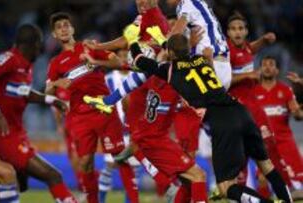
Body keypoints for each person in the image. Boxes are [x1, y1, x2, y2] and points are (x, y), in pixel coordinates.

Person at [121, 23, 293, 202]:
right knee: (266, 165)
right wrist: (163, 40)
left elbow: (141, 60)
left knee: (226, 187)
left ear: (170, 54)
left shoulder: (171, 70)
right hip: (241, 111)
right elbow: (179, 51)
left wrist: (132, 40)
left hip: (222, 121)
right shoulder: (201, 60)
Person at [0, 24, 77, 203]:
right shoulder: (10, 59)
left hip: (16, 132)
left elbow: (23, 92)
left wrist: (52, 100)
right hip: (1, 133)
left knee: (18, 183)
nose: (40, 50)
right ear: (31, 44)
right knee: (52, 176)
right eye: (38, 45)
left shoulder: (26, 65)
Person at [45, 12, 138, 203]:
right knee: (85, 163)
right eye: (59, 27)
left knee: (120, 156)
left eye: (66, 25)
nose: (63, 28)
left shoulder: (89, 46)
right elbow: (48, 91)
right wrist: (55, 85)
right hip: (79, 117)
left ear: (72, 29)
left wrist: (96, 62)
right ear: (54, 34)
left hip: (104, 109)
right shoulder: (55, 63)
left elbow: (116, 61)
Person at [226, 12, 292, 197]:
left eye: (240, 28)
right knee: (242, 156)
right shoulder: (225, 52)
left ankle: (281, 193)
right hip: (238, 110)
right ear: (228, 33)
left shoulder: (245, 47)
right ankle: (245, 196)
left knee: (270, 148)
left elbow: (250, 48)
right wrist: (247, 75)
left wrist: (263, 40)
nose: (237, 32)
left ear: (246, 31)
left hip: (253, 107)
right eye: (233, 29)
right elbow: (222, 81)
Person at [255, 56, 303, 191]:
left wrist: (298, 113)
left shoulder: (286, 90)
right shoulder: (253, 92)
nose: (268, 67)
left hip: (285, 142)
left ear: (277, 71)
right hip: (264, 144)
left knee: (297, 181)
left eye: (271, 65)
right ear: (259, 69)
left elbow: (297, 115)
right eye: (264, 65)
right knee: (262, 179)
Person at [167, 0, 231, 90]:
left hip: (209, 63)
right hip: (222, 65)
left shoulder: (186, 3)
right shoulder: (197, 4)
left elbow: (174, 38)